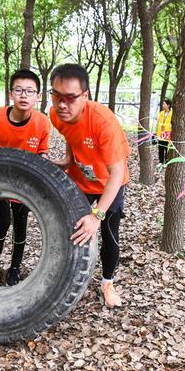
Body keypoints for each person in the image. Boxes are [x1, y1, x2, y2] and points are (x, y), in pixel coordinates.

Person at [48, 63, 130, 308]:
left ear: (84, 96)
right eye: (56, 96)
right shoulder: (56, 115)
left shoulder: (104, 123)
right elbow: (71, 137)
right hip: (81, 179)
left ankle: (107, 283)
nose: (62, 104)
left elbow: (117, 174)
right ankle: (71, 279)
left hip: (109, 183)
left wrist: (96, 214)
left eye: (70, 98)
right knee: (74, 230)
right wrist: (68, 160)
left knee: (107, 232)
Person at [0, 69, 50, 286]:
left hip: (24, 184)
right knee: (3, 222)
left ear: (37, 95)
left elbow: (42, 156)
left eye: (29, 91)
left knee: (20, 225)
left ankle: (15, 268)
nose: (24, 95)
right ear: (11, 94)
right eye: (19, 90)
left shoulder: (42, 123)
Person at [156, 99, 173, 166]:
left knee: (166, 148)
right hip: (161, 133)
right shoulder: (161, 113)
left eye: (164, 104)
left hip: (167, 133)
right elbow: (158, 123)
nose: (163, 105)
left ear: (168, 105)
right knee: (160, 148)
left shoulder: (172, 113)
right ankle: (161, 161)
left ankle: (166, 161)